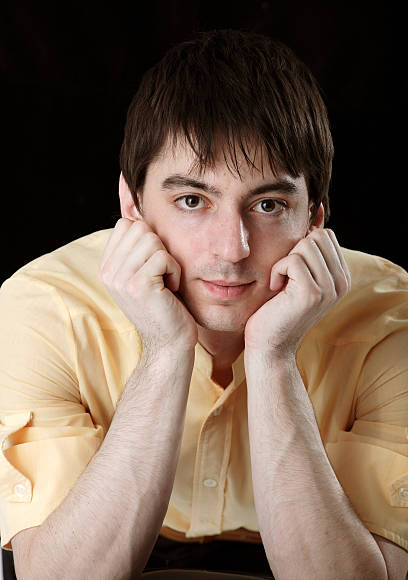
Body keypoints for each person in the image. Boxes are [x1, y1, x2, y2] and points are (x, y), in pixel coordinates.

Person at [0, 29, 407, 580]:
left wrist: (274, 357)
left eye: (267, 204)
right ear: (132, 204)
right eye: (192, 201)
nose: (231, 250)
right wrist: (166, 350)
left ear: (315, 216)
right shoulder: (43, 307)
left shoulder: (390, 319)